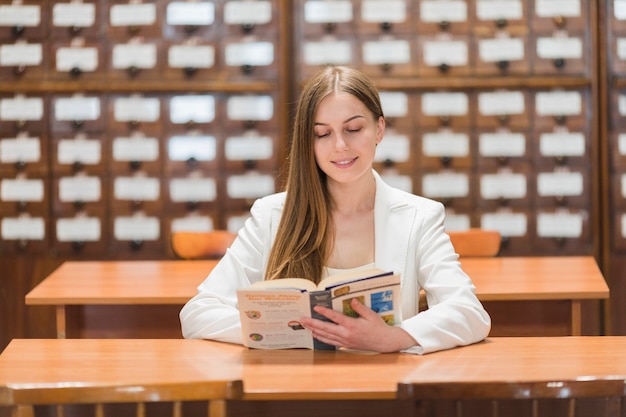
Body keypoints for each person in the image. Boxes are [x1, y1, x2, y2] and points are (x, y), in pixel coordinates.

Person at [180, 65, 491, 354]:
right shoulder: (271, 215)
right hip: (290, 390)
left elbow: (468, 311)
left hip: (383, 387)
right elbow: (198, 312)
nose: (340, 145)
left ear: (379, 129)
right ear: (309, 141)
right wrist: (276, 332)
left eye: (353, 129)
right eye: (323, 134)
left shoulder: (419, 216)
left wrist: (396, 337)